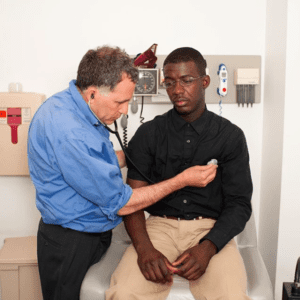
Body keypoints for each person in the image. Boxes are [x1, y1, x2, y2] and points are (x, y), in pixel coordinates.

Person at [27, 46, 217, 300]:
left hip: (89, 232)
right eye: (121, 102)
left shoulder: (72, 106)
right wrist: (180, 180)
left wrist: (138, 154)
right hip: (71, 242)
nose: (125, 110)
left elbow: (93, 163)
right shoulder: (70, 131)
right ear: (93, 93)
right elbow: (123, 203)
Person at [106, 47, 253, 300]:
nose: (177, 90)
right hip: (158, 227)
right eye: (170, 82)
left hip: (210, 228)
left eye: (187, 80)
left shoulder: (230, 137)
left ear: (204, 82)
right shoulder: (149, 134)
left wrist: (208, 247)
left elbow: (239, 204)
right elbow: (132, 200)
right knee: (124, 293)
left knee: (232, 295)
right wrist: (144, 249)